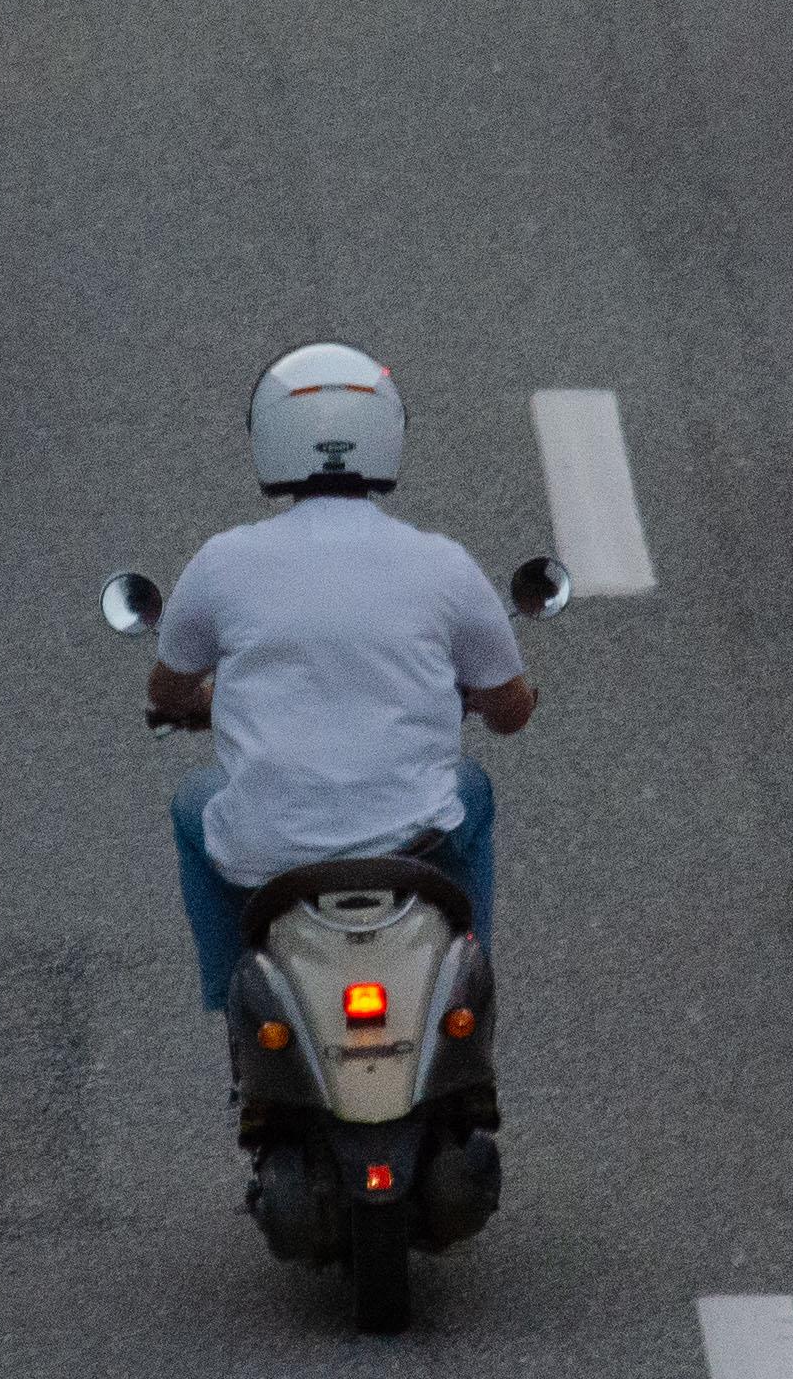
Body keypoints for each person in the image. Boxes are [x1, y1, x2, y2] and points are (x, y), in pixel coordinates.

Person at [150, 343, 536, 1013]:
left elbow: (167, 692)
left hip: (269, 849)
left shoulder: (222, 564)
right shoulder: (441, 566)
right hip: (411, 840)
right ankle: (469, 983)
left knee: (193, 804)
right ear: (387, 436)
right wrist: (493, 698)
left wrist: (205, 700)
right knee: (472, 789)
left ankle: (231, 995)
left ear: (268, 437)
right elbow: (509, 710)